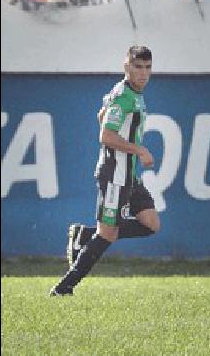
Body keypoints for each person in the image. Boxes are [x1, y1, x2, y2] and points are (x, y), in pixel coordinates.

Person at [52, 46, 160, 296]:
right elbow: (106, 135)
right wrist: (138, 150)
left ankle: (86, 234)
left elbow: (101, 114)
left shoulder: (132, 93)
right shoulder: (124, 96)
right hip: (115, 175)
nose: (143, 73)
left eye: (147, 67)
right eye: (138, 67)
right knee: (108, 235)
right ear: (127, 67)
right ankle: (63, 288)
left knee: (151, 224)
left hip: (130, 175)